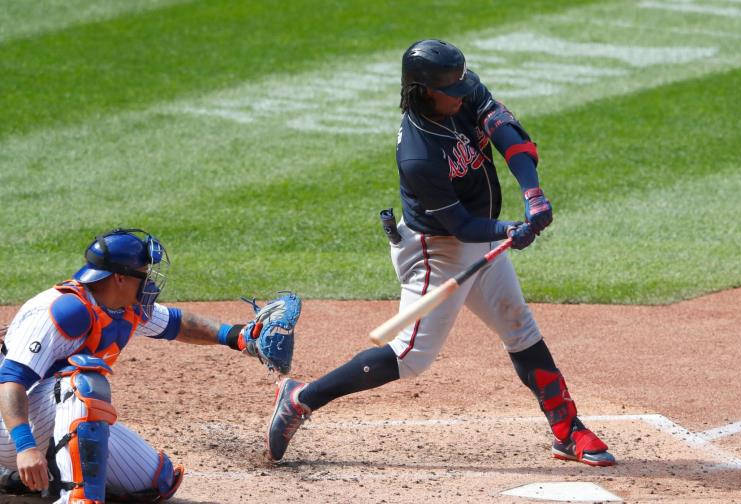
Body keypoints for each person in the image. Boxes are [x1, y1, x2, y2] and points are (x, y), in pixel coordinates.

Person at [265, 39, 615, 467]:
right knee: (409, 357)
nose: (462, 94)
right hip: (437, 250)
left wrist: (533, 193)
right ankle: (301, 398)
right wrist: (510, 229)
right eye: (452, 89)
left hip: (482, 237)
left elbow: (509, 134)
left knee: (521, 329)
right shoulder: (418, 154)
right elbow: (461, 227)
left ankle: (568, 431)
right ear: (424, 90)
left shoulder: (461, 90)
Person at [0, 228, 277, 503]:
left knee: (156, 482)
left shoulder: (122, 307)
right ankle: (77, 498)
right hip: (11, 428)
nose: (150, 283)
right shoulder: (64, 311)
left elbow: (178, 324)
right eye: (143, 275)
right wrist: (25, 447)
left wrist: (239, 337)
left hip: (47, 419)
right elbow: (10, 380)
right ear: (119, 278)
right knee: (84, 384)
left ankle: (48, 472)